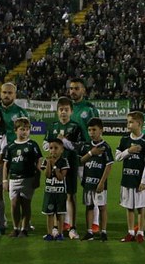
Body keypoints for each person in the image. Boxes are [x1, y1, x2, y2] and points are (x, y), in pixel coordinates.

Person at [46, 97, 85, 240]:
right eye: (61, 109)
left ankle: (73, 228)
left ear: (71, 111)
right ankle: (56, 227)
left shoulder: (76, 127)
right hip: (55, 165)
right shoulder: (52, 126)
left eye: (66, 110)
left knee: (70, 195)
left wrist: (64, 141)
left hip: (71, 164)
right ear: (57, 111)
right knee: (57, 194)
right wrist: (53, 147)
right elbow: (45, 144)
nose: (63, 112)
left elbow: (79, 147)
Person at [116, 111, 145, 243]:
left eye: (131, 122)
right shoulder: (125, 139)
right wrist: (128, 151)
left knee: (141, 207)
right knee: (129, 207)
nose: (128, 124)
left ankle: (140, 232)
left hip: (139, 181)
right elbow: (117, 157)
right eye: (128, 122)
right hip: (127, 178)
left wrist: (144, 181)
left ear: (139, 123)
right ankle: (130, 232)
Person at [4, 117, 41, 238]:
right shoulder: (11, 146)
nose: (24, 132)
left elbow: (39, 161)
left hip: (28, 179)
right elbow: (6, 164)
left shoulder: (32, 145)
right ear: (15, 130)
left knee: (26, 204)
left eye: (27, 129)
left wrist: (37, 177)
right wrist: (5, 180)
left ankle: (24, 229)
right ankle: (15, 228)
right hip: (13, 179)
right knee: (14, 204)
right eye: (22, 129)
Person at [79, 118, 114, 241]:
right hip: (88, 182)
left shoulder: (105, 147)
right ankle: (89, 232)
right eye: (89, 130)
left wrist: (102, 182)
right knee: (89, 206)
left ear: (101, 130)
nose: (91, 133)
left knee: (102, 207)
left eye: (94, 130)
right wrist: (91, 153)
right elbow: (80, 161)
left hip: (99, 184)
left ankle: (103, 232)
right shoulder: (86, 145)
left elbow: (109, 165)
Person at [41, 139, 69, 241]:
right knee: (49, 214)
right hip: (49, 192)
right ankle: (49, 233)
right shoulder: (46, 160)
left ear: (62, 150)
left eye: (56, 148)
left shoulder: (64, 161)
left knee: (60, 214)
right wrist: (49, 163)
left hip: (60, 192)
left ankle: (60, 234)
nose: (53, 150)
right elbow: (47, 175)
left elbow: (61, 177)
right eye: (51, 148)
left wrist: (55, 166)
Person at [67, 77, 100, 142]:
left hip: (85, 147)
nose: (73, 91)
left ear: (83, 90)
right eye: (71, 88)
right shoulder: (66, 108)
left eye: (76, 88)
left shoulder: (90, 109)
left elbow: (96, 133)